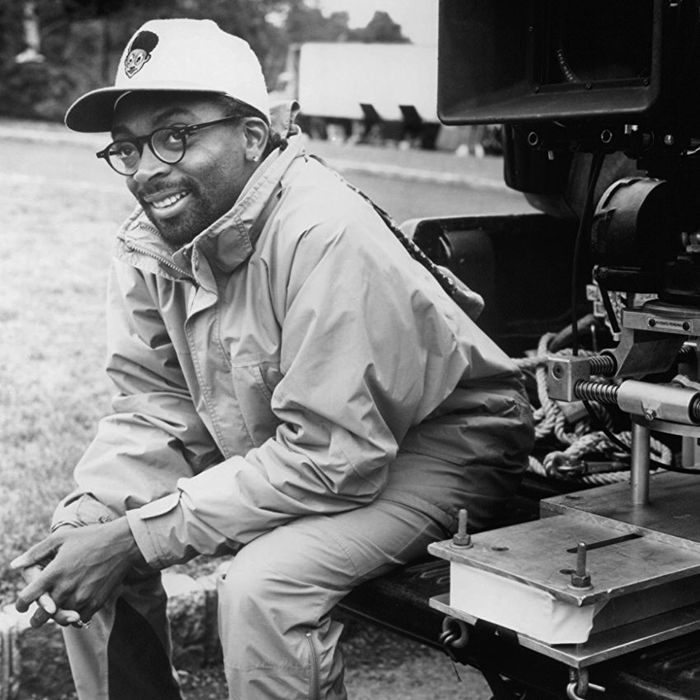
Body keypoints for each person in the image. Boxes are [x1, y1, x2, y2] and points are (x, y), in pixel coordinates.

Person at [12, 18, 534, 700]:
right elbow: (155, 404)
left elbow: (331, 457)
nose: (145, 171)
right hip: (306, 445)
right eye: (129, 148)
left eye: (174, 137)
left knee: (264, 587)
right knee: (77, 542)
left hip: (438, 446)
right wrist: (99, 522)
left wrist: (140, 535)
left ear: (253, 136)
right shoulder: (153, 244)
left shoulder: (324, 232)